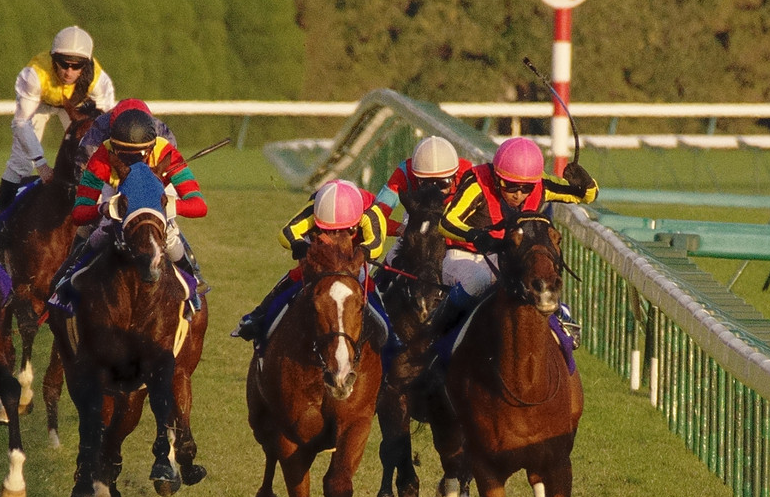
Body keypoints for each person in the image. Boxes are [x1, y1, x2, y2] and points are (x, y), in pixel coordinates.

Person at [430, 136, 596, 345]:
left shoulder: (540, 185)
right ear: (497, 178)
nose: (518, 194)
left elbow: (585, 196)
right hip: (465, 257)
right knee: (478, 281)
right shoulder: (477, 184)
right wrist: (475, 235)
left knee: (541, 277)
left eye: (526, 189)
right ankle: (434, 332)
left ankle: (562, 322)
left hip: (506, 259)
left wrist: (587, 184)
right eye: (510, 186)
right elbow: (446, 223)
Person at [51, 105, 206, 310]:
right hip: (116, 192)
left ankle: (193, 285)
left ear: (150, 148)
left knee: (169, 236)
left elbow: (199, 206)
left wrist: (168, 206)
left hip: (157, 195)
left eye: (138, 154)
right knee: (99, 232)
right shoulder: (102, 155)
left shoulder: (166, 152)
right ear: (113, 145)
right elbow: (79, 213)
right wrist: (103, 209)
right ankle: (67, 279)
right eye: (122, 155)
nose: (131, 162)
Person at [233, 179, 388, 342]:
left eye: (342, 230)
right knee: (299, 274)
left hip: (354, 255)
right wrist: (304, 249)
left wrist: (355, 260)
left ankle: (391, 337)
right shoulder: (317, 206)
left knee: (364, 281)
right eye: (329, 230)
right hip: (321, 249)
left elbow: (375, 244)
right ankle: (258, 315)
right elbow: (288, 232)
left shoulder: (371, 212)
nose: (334, 235)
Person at [0, 26, 117, 211]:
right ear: (53, 59)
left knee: (91, 156)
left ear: (86, 65)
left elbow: (105, 123)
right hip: (40, 103)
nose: (69, 72)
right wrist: (41, 165)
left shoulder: (98, 80)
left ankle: (99, 212)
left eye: (76, 66)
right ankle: (0, 216)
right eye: (63, 64)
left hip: (75, 106)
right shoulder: (35, 74)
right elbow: (21, 122)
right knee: (21, 161)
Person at [375, 135, 472, 232]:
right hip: (418, 214)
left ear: (455, 176)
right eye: (426, 183)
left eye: (442, 183)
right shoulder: (404, 173)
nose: (435, 192)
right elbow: (376, 216)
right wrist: (404, 230)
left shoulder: (468, 175)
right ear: (415, 176)